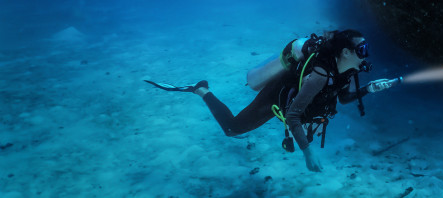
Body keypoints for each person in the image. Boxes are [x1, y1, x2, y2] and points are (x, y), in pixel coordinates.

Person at [145, 29, 397, 172]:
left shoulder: (348, 71)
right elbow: (293, 115)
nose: (366, 55)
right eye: (362, 50)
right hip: (275, 98)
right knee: (232, 129)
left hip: (297, 104)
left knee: (238, 129)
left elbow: (343, 99)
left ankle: (202, 90)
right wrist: (307, 153)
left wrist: (370, 89)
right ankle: (201, 90)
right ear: (346, 52)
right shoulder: (320, 75)